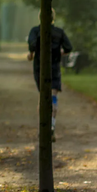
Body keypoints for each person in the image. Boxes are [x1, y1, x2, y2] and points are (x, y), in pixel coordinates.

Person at [27, 9, 73, 140]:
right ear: (53, 18)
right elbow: (68, 47)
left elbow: (32, 47)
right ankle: (51, 125)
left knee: (42, 96)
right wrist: (59, 52)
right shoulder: (59, 32)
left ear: (40, 17)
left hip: (40, 68)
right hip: (54, 68)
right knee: (53, 97)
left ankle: (42, 127)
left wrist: (31, 55)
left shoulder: (35, 31)